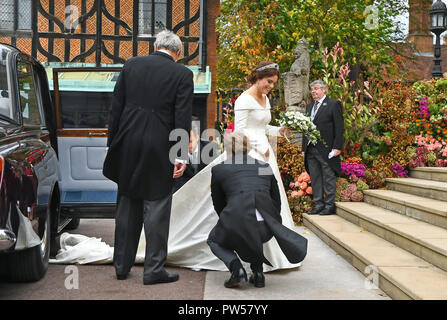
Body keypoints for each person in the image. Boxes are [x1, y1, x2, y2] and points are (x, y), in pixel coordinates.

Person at [102, 30, 193, 285]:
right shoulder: (182, 74)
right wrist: (180, 155)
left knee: (127, 204)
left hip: (128, 144)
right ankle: (153, 269)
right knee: (157, 207)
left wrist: (112, 144)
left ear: (155, 46)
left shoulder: (131, 65)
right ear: (177, 53)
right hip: (160, 147)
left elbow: (115, 107)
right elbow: (182, 118)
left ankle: (121, 265)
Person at [207, 132, 307, 288]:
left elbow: (218, 203)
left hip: (238, 221)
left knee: (214, 239)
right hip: (266, 226)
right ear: (247, 148)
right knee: (253, 225)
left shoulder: (220, 170)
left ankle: (237, 270)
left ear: (227, 150)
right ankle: (258, 274)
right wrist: (273, 220)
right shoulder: (264, 166)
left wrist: (228, 223)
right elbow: (276, 198)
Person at [302, 80, 344, 215]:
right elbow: (305, 128)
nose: (313, 91)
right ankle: (318, 204)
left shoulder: (333, 104)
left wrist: (337, 147)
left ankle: (329, 205)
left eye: (316, 89)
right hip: (311, 149)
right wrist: (304, 148)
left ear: (324, 89)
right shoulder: (309, 107)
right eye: (312, 89)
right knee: (315, 177)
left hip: (327, 149)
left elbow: (339, 127)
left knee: (328, 177)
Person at [172, 117, 220, 193]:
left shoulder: (210, 148)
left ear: (197, 137)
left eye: (190, 141)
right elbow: (176, 183)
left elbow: (216, 174)